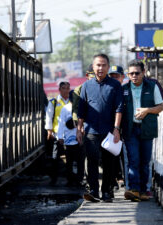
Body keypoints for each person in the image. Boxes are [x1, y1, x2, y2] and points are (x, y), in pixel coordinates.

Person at [77, 54, 123, 203]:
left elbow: (119, 108)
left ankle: (107, 191)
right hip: (91, 131)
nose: (100, 68)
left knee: (109, 162)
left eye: (103, 65)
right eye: (98, 65)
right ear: (93, 66)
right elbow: (81, 109)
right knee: (92, 161)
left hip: (109, 131)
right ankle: (94, 190)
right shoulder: (86, 86)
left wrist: (116, 128)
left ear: (108, 67)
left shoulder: (115, 85)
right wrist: (79, 128)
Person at [122, 59, 163, 202]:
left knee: (145, 161)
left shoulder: (152, 87)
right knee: (133, 159)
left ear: (143, 73)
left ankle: (143, 190)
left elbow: (160, 107)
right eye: (131, 73)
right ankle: (133, 189)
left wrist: (147, 110)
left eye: (137, 73)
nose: (134, 76)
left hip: (146, 128)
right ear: (128, 75)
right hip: (130, 129)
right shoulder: (124, 89)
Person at [45, 81, 70, 185]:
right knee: (55, 158)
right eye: (63, 88)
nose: (65, 90)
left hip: (70, 134)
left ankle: (70, 179)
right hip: (57, 134)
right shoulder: (54, 102)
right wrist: (49, 130)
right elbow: (48, 117)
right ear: (59, 90)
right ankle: (53, 179)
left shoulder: (72, 101)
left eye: (67, 88)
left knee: (70, 158)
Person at [57, 93, 84, 187]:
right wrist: (60, 136)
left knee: (79, 161)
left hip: (79, 139)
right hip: (69, 140)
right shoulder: (65, 108)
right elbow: (61, 123)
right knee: (70, 162)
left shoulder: (81, 107)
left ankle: (79, 179)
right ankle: (70, 179)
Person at [109, 65, 126, 190]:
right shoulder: (107, 89)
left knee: (125, 154)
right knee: (112, 153)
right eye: (112, 76)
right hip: (111, 127)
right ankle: (114, 179)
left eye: (117, 76)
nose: (115, 79)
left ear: (122, 77)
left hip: (125, 127)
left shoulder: (127, 89)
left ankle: (124, 178)